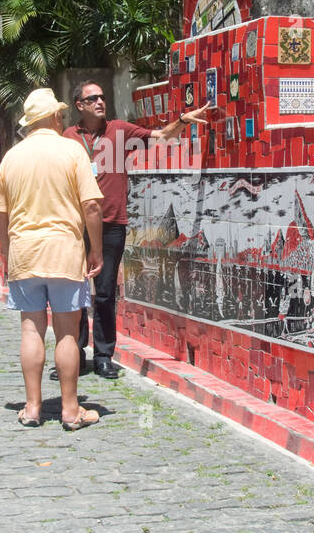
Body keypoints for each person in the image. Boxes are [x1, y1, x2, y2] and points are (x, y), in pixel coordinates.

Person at [63, 80, 215, 379]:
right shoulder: (68, 137)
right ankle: (75, 353)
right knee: (75, 291)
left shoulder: (120, 130)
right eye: (92, 98)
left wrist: (183, 120)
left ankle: (104, 355)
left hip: (111, 224)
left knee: (105, 292)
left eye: (102, 96)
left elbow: (160, 135)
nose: (100, 102)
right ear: (79, 105)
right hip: (75, 224)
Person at [0, 88, 104, 430]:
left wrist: (6, 251)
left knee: (31, 329)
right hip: (64, 251)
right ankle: (70, 409)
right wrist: (95, 249)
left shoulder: (12, 156)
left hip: (25, 252)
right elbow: (93, 206)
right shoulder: (72, 150)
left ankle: (33, 406)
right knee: (67, 332)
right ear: (55, 117)